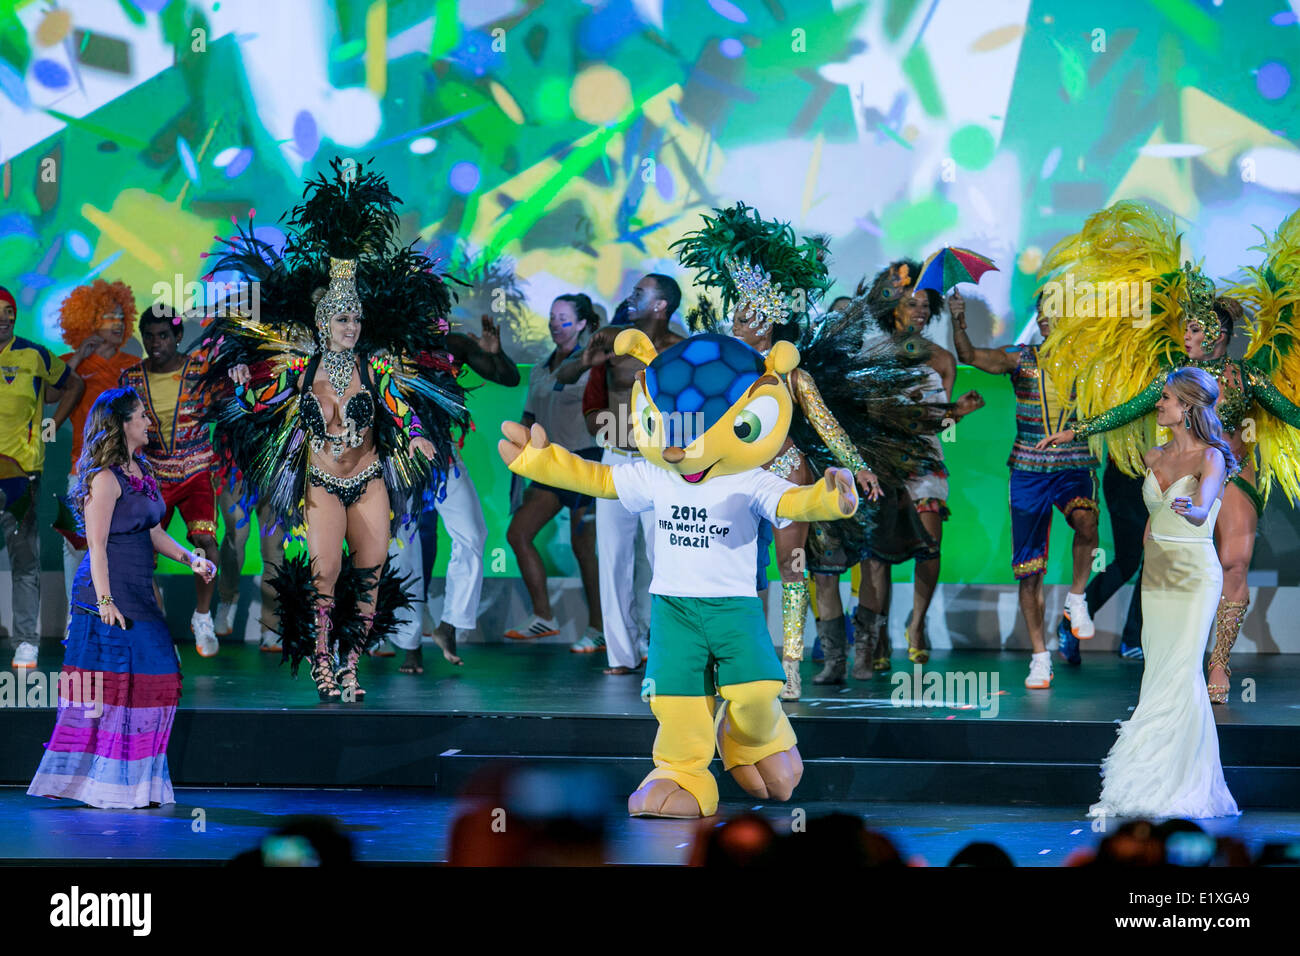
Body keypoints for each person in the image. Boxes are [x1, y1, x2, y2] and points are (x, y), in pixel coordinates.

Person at [204, 159, 465, 701]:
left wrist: (417, 436)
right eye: (343, 320)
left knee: (369, 578)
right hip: (321, 481)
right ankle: (322, 663)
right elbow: (260, 403)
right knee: (324, 579)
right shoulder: (299, 369)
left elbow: (401, 410)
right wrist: (236, 383)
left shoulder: (377, 369)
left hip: (368, 478)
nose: (352, 327)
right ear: (323, 323)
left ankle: (351, 665)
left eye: (357, 320)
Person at [670, 204, 944, 699]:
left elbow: (827, 425)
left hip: (783, 476)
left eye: (748, 315)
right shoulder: (719, 371)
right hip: (728, 478)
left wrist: (859, 467)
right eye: (735, 313)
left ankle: (791, 667)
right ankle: (729, 660)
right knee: (731, 572)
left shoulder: (792, 375)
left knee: (793, 571)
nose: (737, 321)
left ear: (770, 322)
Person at [1037, 203, 1300, 702]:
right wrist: (1076, 432)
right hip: (1177, 476)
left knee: (1235, 567)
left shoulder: (1249, 376)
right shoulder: (1172, 380)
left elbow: (1293, 414)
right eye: (1184, 329)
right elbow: (1127, 409)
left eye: (1195, 329)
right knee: (1160, 565)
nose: (1186, 335)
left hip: (1230, 473)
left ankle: (1218, 662)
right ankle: (1168, 655)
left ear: (1217, 333)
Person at [28, 387, 215, 808]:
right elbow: (95, 547)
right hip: (104, 595)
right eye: (141, 416)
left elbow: (153, 530)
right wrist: (105, 601)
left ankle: (136, 782)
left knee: (159, 678)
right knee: (108, 691)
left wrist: (192, 560)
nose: (149, 422)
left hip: (138, 595)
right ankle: (104, 784)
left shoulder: (142, 471)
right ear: (122, 424)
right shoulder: (104, 478)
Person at [1088, 367, 1238, 820]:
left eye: (1166, 398)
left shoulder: (1211, 456)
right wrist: (1151, 539)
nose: (1158, 405)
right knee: (1157, 674)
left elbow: (1201, 507)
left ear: (1187, 407)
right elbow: (1154, 516)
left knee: (1180, 672)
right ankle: (1147, 775)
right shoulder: (1154, 456)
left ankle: (1178, 783)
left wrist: (1190, 508)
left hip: (1193, 575)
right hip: (1157, 578)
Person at [951, 291, 1099, 689]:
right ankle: (1039, 656)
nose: (1047, 319)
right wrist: (958, 321)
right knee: (1029, 571)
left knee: (1087, 522)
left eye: (1056, 312)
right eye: (1042, 314)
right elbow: (969, 356)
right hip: (1029, 470)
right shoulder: (1022, 358)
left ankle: (1077, 598)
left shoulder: (1091, 362)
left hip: (1074, 463)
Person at [851, 262, 983, 670]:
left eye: (926, 305)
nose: (920, 312)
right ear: (892, 307)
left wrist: (958, 413)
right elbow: (865, 417)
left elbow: (941, 423)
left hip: (925, 463)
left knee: (929, 548)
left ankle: (918, 625)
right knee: (879, 554)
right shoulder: (871, 355)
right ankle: (878, 635)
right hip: (882, 465)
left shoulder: (943, 360)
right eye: (912, 304)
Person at [386, 311, 519, 675]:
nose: (431, 317)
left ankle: (449, 624)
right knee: (404, 551)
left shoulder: (452, 345)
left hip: (443, 455)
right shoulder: (381, 345)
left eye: (435, 310)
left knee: (474, 534)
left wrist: (495, 353)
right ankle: (410, 644)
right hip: (398, 459)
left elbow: (509, 378)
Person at [580, 274, 683, 675]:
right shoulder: (612, 340)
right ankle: (622, 655)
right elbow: (578, 380)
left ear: (661, 306)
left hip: (660, 466)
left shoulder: (679, 349)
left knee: (664, 559)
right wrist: (604, 425)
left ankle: (665, 651)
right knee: (614, 557)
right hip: (616, 460)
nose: (631, 296)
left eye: (641, 293)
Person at [118, 305, 221, 656]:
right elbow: (121, 431)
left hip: (195, 471)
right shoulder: (129, 379)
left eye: (163, 335)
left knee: (206, 539)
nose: (155, 342)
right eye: (149, 336)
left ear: (178, 337)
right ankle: (156, 629)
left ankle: (203, 617)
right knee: (140, 552)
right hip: (152, 475)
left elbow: (229, 406)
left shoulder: (202, 371)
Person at [505, 294, 603, 651]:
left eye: (563, 318)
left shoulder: (593, 365)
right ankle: (544, 616)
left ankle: (599, 627)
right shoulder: (543, 368)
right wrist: (518, 448)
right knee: (518, 533)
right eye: (551, 317)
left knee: (585, 547)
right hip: (548, 466)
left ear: (581, 324)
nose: (553, 324)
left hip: (584, 462)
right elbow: (529, 417)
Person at [0, 285, 84, 669]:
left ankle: (26, 643)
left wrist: (54, 423)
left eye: (8, 311)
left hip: (19, 474)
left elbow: (74, 384)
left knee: (24, 561)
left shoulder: (33, 354)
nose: (3, 317)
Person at [54, 280, 139, 605]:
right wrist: (78, 358)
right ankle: (76, 623)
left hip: (123, 471)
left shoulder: (131, 365)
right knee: (76, 544)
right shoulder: (70, 363)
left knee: (123, 546)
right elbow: (48, 392)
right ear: (87, 321)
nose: (117, 323)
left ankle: (121, 622)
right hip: (82, 469)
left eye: (121, 317)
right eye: (108, 317)